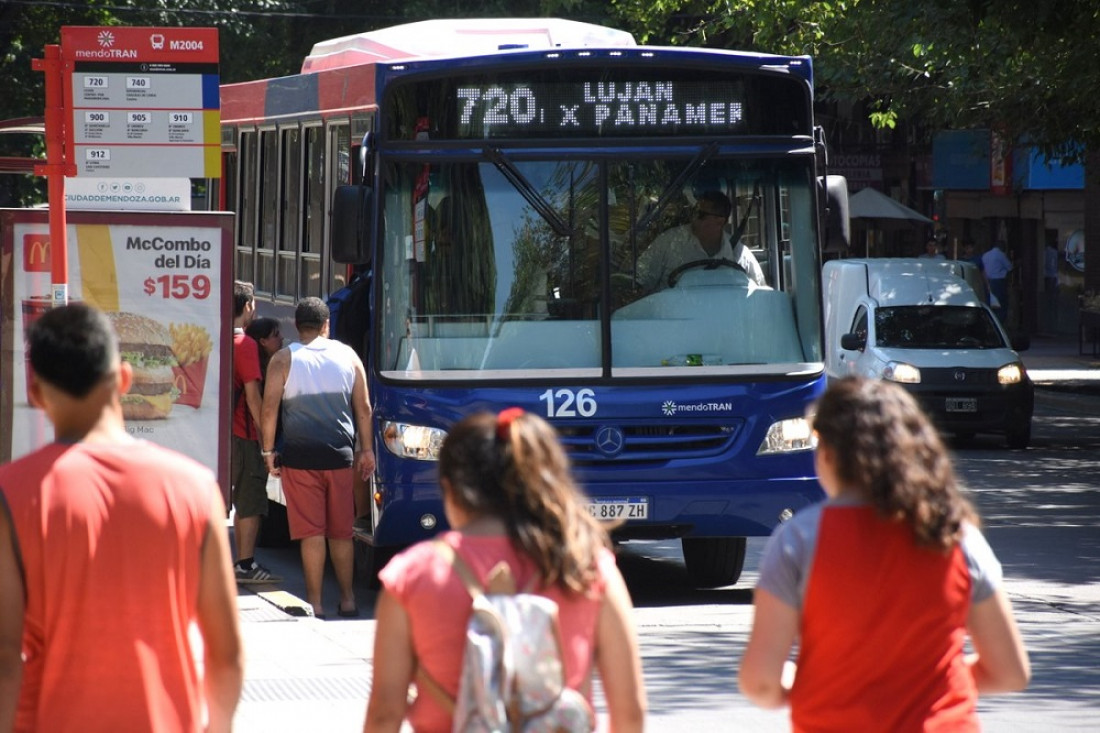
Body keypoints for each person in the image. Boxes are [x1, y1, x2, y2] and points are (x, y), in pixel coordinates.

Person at [0, 303, 243, 732]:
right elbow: (226, 655)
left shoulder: (12, 495)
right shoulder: (196, 489)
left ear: (36, 395)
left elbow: (5, 658)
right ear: (124, 379)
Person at [738, 378, 1030, 731]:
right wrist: (926, 683)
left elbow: (761, 682)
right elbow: (1010, 672)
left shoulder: (797, 541)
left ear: (828, 452)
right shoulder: (956, 534)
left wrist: (807, 681)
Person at [363, 409, 646, 732]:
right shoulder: (585, 565)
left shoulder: (413, 575)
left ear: (450, 489)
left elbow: (385, 712)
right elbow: (630, 713)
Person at [260, 297, 375, 619]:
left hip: (298, 456)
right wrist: (366, 451)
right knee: (341, 531)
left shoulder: (283, 359)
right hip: (340, 456)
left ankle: (316, 603)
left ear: (297, 327)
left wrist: (268, 451)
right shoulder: (348, 356)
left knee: (311, 532)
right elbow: (363, 408)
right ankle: (349, 599)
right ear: (327, 325)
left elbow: (269, 409)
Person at [231, 281, 281, 584]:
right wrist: (267, 443)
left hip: (226, 433)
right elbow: (253, 398)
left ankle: (241, 560)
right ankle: (245, 565)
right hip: (245, 434)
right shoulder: (245, 345)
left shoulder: (220, 337)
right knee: (250, 500)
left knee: (239, 500)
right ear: (248, 306)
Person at [637, 190, 765, 291]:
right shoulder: (668, 243)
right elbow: (639, 283)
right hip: (673, 321)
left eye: (700, 214)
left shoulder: (740, 256)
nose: (693, 217)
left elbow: (759, 295)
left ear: (719, 222)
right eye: (693, 211)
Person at [981, 240, 1013, 322]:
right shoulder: (1000, 255)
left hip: (987, 281)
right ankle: (1000, 322)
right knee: (1000, 303)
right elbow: (1010, 267)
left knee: (990, 303)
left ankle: (990, 321)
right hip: (998, 281)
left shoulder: (985, 255)